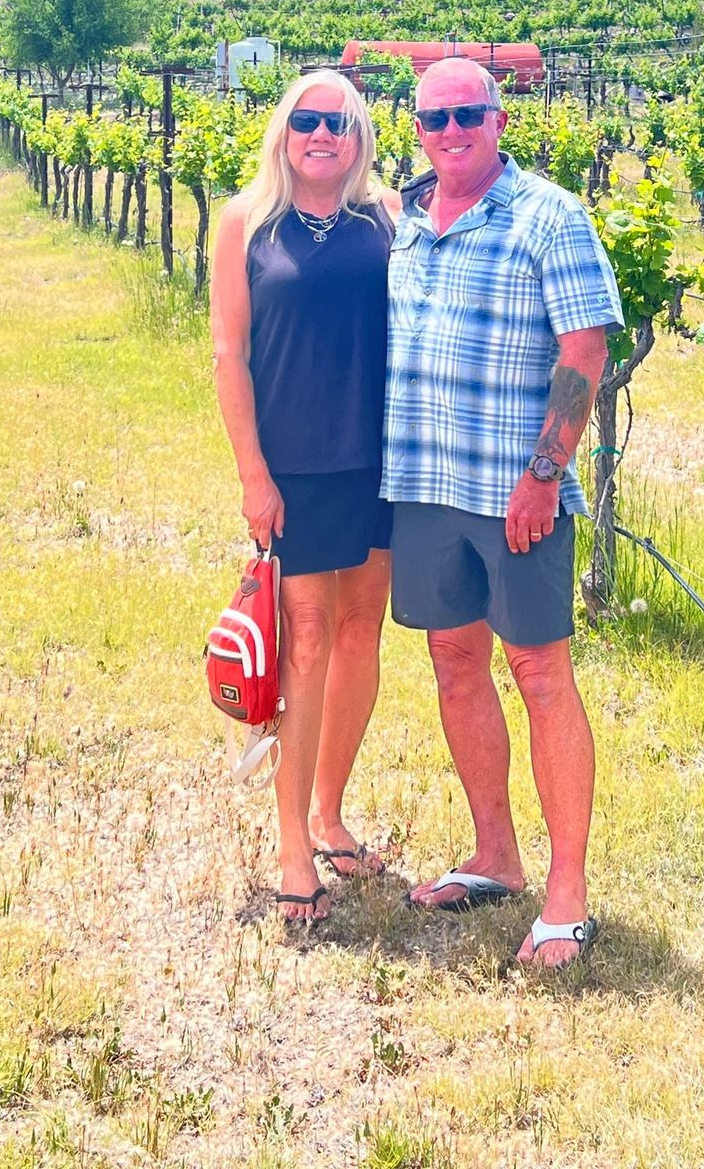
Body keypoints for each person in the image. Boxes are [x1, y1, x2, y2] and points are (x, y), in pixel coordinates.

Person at [383, 57, 623, 966]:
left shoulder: (550, 216)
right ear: (417, 129)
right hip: (424, 485)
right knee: (453, 661)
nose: (452, 132)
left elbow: (585, 347)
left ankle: (567, 893)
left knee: (540, 674)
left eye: (467, 114)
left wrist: (544, 473)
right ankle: (496, 853)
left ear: (499, 117)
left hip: (511, 494)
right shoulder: (405, 218)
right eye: (434, 119)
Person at [210, 69, 397, 925]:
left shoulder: (385, 217)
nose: (323, 135)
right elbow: (230, 357)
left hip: (381, 461)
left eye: (342, 122)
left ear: (360, 139)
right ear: (284, 132)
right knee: (308, 642)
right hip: (296, 470)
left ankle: (329, 809)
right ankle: (293, 846)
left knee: (362, 630)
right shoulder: (243, 221)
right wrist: (254, 474)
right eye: (308, 120)